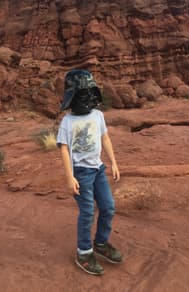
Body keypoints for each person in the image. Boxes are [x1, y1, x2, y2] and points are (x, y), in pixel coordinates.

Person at [56, 69, 122, 275]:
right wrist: (70, 177)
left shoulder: (98, 115)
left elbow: (105, 138)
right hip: (81, 172)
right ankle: (84, 252)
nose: (86, 97)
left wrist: (113, 162)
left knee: (108, 207)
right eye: (81, 93)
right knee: (87, 212)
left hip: (98, 169)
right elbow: (64, 149)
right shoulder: (67, 121)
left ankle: (101, 244)